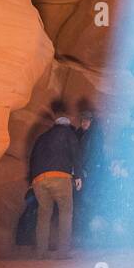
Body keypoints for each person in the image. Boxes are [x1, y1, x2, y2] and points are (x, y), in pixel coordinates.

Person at [28, 110, 81, 259]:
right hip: (60, 177)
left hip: (39, 180)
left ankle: (41, 252)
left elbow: (32, 158)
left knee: (44, 215)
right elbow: (76, 154)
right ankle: (63, 252)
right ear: (67, 125)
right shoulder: (68, 134)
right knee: (65, 212)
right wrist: (78, 176)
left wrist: (31, 181)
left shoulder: (42, 137)